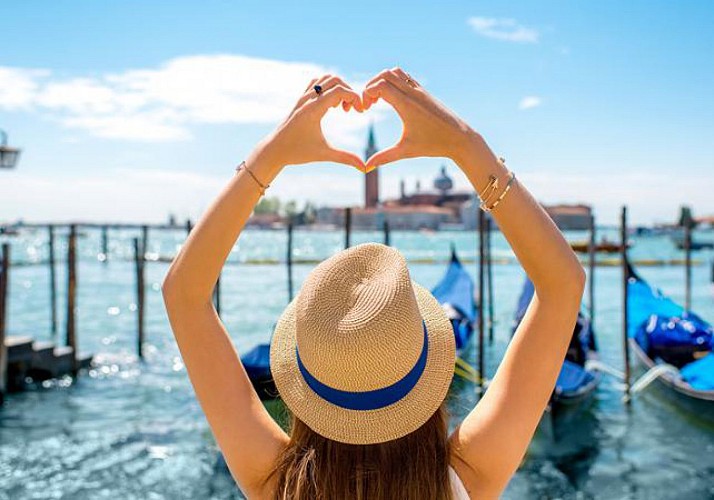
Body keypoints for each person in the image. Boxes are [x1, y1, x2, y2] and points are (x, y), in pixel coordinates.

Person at [162, 68, 586, 499]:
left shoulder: (276, 484)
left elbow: (183, 293)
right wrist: (465, 143)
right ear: (424, 371)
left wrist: (267, 158)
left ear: (305, 384)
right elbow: (563, 284)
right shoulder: (467, 481)